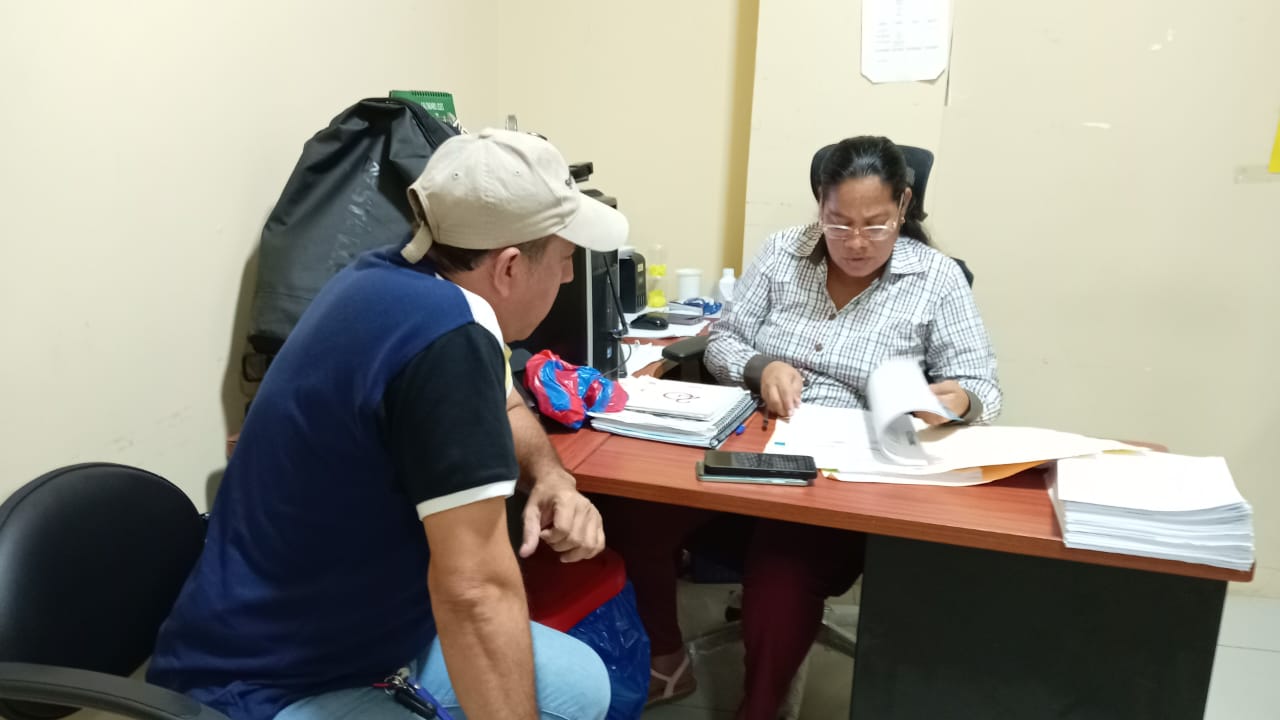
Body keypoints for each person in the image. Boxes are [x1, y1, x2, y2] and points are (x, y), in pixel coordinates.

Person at [148, 129, 630, 720]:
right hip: (264, 683)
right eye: (563, 260)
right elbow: (475, 593)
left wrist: (552, 478)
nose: (569, 278)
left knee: (583, 687)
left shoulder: (395, 278)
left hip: (371, 632)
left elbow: (506, 406)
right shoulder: (447, 339)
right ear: (508, 268)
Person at [601, 135, 1000, 719]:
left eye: (876, 224)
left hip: (840, 472)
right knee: (631, 511)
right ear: (820, 206)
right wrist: (761, 367)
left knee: (781, 576)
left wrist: (956, 398)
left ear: (904, 205)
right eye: (839, 223)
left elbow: (982, 386)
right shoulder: (782, 252)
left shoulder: (936, 278)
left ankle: (760, 707)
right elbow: (725, 339)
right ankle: (667, 659)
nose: (856, 242)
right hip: (750, 443)